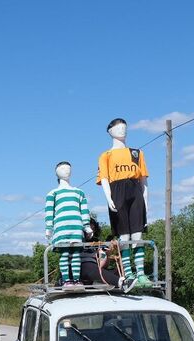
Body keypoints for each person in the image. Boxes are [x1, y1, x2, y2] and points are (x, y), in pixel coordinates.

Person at [96, 118, 151, 289]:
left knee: (137, 235)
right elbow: (104, 178)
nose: (122, 130)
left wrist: (146, 204)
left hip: (135, 191)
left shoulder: (136, 153)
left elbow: (144, 181)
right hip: (116, 191)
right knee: (124, 236)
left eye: (124, 128)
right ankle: (128, 273)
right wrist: (109, 198)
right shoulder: (106, 155)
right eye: (118, 128)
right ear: (110, 132)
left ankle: (141, 274)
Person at [45, 161, 91, 288]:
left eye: (68, 168)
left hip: (77, 228)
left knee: (76, 254)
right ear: (57, 172)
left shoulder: (79, 192)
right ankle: (66, 280)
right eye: (63, 168)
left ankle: (76, 280)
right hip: (61, 229)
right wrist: (49, 228)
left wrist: (87, 226)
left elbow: (84, 210)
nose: (67, 170)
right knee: (64, 253)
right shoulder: (52, 194)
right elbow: (49, 212)